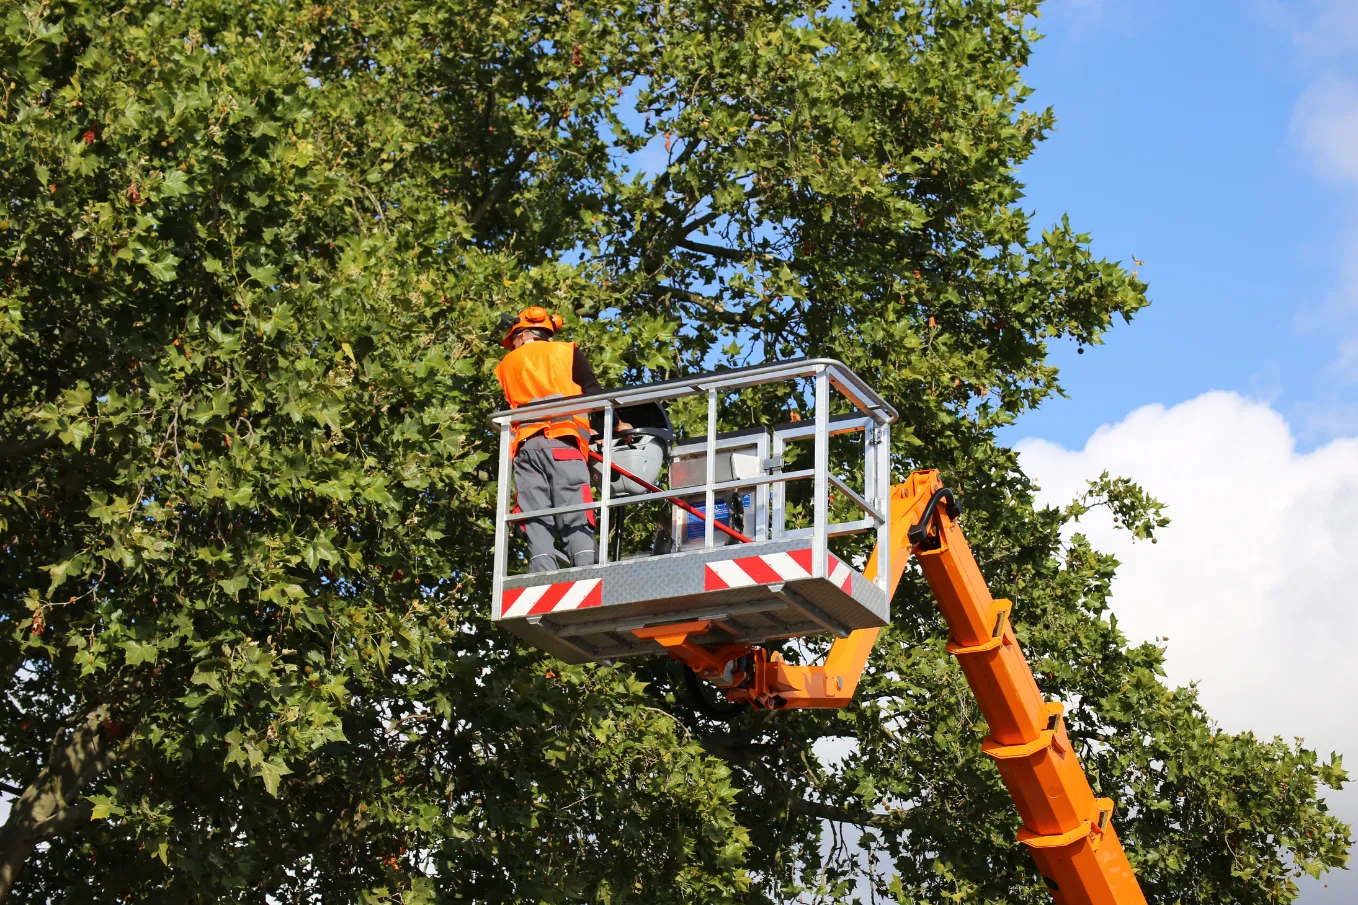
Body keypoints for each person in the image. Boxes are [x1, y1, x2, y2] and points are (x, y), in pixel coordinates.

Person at [494, 306, 607, 573]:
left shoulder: (507, 365)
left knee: (534, 515)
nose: (513, 346)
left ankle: (541, 573)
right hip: (562, 442)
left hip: (525, 448)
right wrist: (606, 430)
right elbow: (594, 394)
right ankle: (586, 571)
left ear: (521, 335)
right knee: (574, 508)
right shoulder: (565, 352)